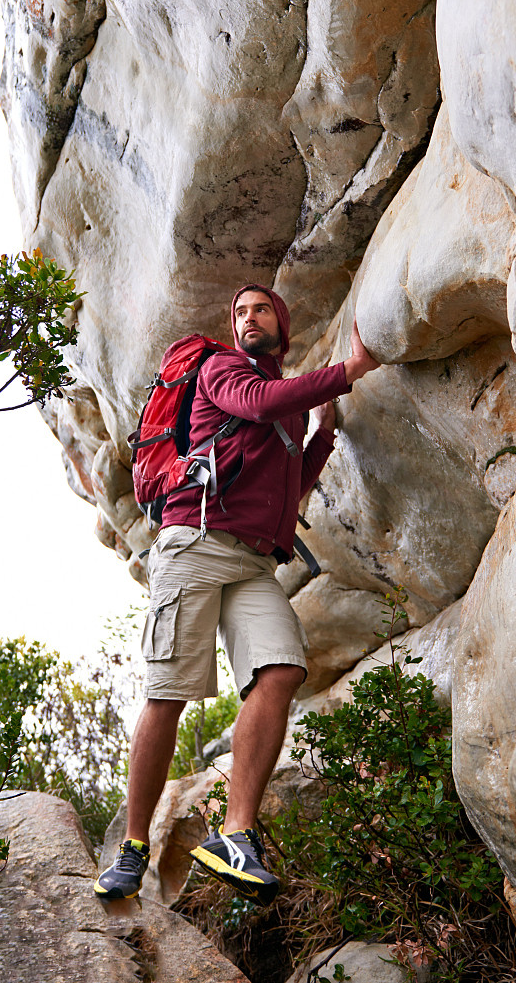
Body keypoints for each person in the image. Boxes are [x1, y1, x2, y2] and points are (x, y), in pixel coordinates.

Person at [94, 284, 381, 906]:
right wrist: (346, 372)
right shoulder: (223, 369)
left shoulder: (293, 410)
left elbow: (290, 486)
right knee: (168, 695)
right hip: (194, 543)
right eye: (239, 313)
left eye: (260, 310)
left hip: (252, 562)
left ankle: (236, 834)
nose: (248, 319)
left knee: (282, 672)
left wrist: (323, 435)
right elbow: (256, 402)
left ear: (283, 320)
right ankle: (134, 845)